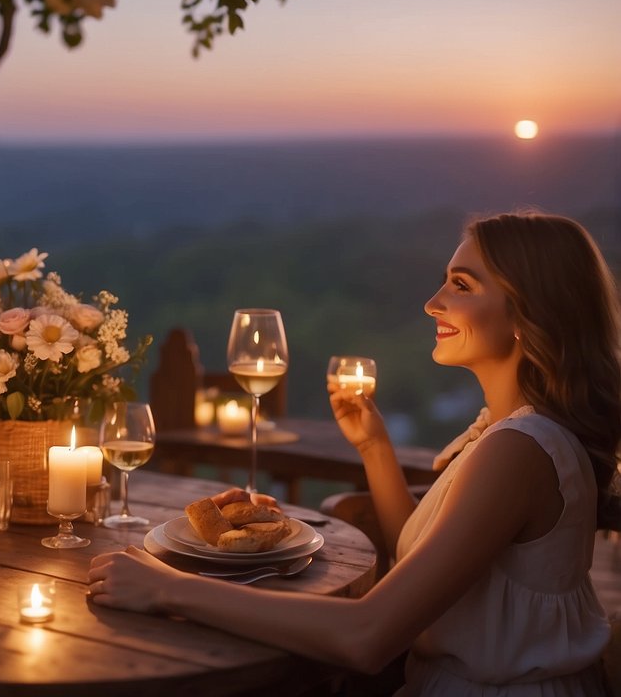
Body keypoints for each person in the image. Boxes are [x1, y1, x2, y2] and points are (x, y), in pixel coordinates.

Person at [88, 211, 621, 695]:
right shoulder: (504, 432)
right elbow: (424, 564)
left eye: (461, 285)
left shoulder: (520, 451)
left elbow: (368, 636)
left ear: (529, 314)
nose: (432, 302)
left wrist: (168, 589)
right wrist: (374, 446)